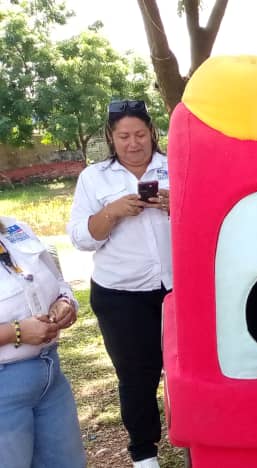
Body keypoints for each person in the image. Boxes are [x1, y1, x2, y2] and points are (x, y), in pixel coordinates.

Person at [67, 99, 171, 467]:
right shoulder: (94, 178)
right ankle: (144, 453)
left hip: (177, 289)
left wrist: (176, 205)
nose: (133, 143)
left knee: (184, 366)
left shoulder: (174, 165)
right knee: (135, 374)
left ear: (152, 132)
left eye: (140, 134)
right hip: (121, 294)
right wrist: (112, 212)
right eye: (124, 136)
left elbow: (208, 220)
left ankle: (197, 434)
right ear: (112, 138)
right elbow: (81, 237)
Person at [0, 218, 86, 467]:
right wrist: (16, 332)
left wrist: (65, 302)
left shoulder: (15, 228)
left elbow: (58, 282)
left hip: (50, 376)